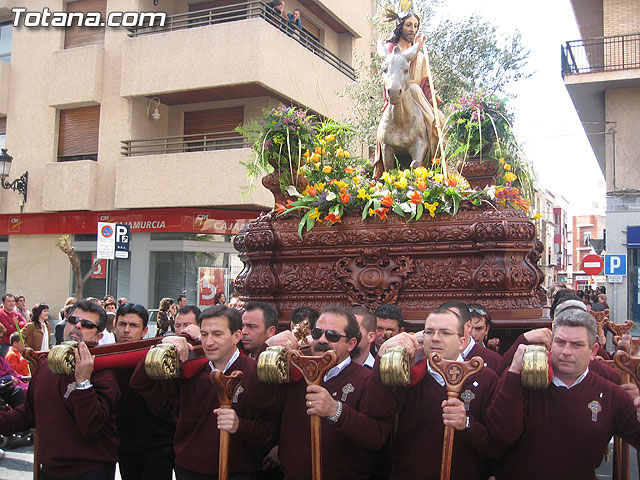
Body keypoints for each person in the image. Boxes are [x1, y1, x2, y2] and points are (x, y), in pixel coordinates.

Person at [486, 308, 640, 479]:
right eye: (560, 342)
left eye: (577, 345)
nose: (566, 351)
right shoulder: (523, 379)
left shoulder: (610, 394)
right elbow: (500, 435)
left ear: (593, 351)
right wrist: (514, 371)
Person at [131, 305, 278, 479]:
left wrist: (240, 425)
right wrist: (160, 347)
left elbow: (271, 430)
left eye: (217, 334)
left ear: (236, 336)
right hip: (189, 470)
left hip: (239, 472)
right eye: (204, 334)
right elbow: (140, 384)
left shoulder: (255, 374)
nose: (209, 342)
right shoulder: (190, 371)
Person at [367, 308, 502, 479]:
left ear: (462, 342)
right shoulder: (407, 374)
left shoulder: (484, 378)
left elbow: (495, 445)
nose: (435, 338)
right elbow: (377, 410)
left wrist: (466, 424)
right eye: (429, 332)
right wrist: (382, 356)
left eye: (445, 333)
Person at [266, 306, 391, 479]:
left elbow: (376, 436)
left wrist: (335, 411)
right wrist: (267, 352)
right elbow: (262, 404)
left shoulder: (366, 379)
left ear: (351, 343)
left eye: (332, 335)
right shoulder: (296, 373)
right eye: (317, 333)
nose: (322, 340)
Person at [0, 300, 119, 479]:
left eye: (87, 324)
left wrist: (83, 382)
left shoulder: (103, 374)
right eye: (73, 319)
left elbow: (92, 428)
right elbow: (27, 415)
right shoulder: (45, 368)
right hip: (49, 470)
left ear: (98, 337)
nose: (77, 325)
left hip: (89, 471)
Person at [374, 10, 444, 176]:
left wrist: (434, 98)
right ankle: (380, 167)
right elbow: (390, 74)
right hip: (398, 95)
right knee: (382, 131)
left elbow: (425, 83)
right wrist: (417, 46)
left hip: (418, 98)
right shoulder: (391, 49)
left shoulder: (420, 56)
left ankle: (434, 150)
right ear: (400, 27)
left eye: (415, 26)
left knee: (436, 121)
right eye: (408, 25)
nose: (412, 29)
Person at [113, 303, 175, 480]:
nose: (126, 330)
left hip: (158, 445)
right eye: (122, 324)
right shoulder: (103, 358)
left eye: (133, 325)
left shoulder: (155, 358)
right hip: (125, 446)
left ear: (144, 330)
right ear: (114, 326)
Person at [441, 301, 502, 372]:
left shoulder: (495, 361)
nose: (473, 334)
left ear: (487, 329)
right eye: (469, 328)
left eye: (479, 329)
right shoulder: (443, 354)